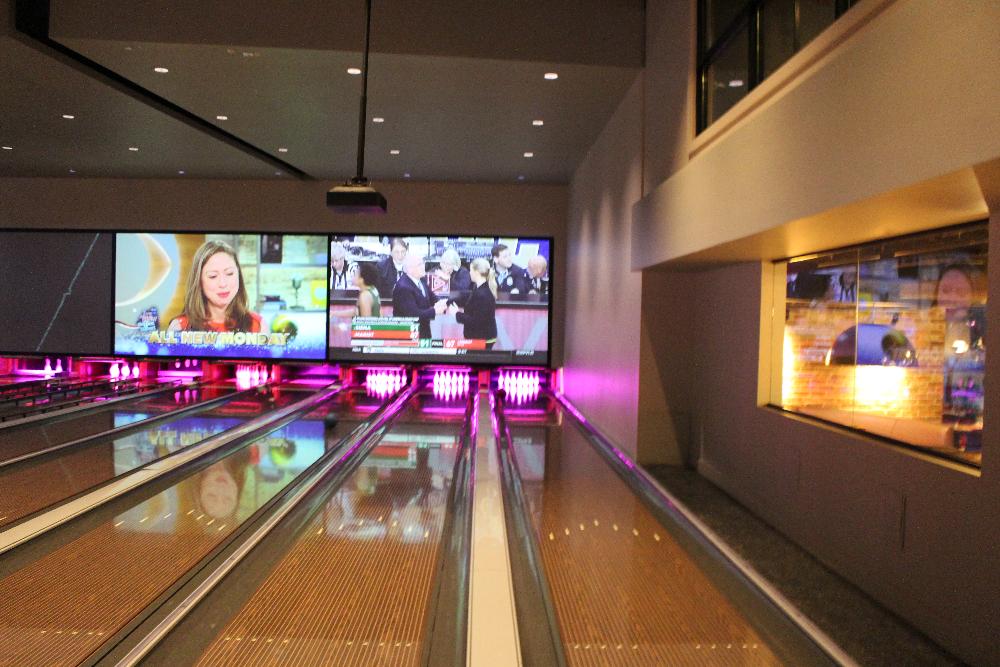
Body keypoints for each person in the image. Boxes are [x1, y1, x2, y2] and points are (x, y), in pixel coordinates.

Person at [167, 240, 261, 333]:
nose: (223, 284)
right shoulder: (179, 327)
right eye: (213, 276)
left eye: (229, 273)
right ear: (199, 281)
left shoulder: (257, 325)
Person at [392, 252, 447, 339]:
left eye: (423, 263)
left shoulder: (421, 279)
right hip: (410, 336)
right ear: (410, 269)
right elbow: (413, 315)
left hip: (424, 332)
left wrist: (441, 303)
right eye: (419, 264)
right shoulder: (403, 288)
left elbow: (432, 297)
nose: (423, 266)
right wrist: (434, 311)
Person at [449, 257, 498, 348]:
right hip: (480, 336)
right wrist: (448, 301)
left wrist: (456, 314)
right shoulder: (479, 288)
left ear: (476, 272)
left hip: (482, 338)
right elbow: (467, 297)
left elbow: (476, 321)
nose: (469, 273)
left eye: (471, 270)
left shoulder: (483, 294)